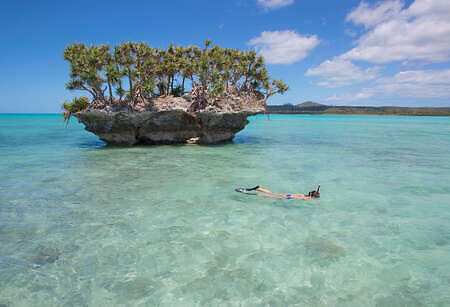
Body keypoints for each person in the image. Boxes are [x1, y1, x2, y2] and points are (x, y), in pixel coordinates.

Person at [235, 185, 320, 200]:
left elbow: (296, 195)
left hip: (287, 195)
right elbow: (296, 197)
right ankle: (249, 193)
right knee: (266, 196)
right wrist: (284, 198)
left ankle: (259, 188)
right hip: (286, 197)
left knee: (271, 193)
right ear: (313, 196)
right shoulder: (307, 198)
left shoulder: (304, 195)